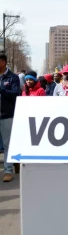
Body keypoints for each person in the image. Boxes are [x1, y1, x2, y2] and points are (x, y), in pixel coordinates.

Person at [0, 54, 20, 182]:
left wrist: (2, 90)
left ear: (3, 62)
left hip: (7, 115)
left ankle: (8, 171)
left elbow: (16, 93)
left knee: (7, 144)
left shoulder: (13, 78)